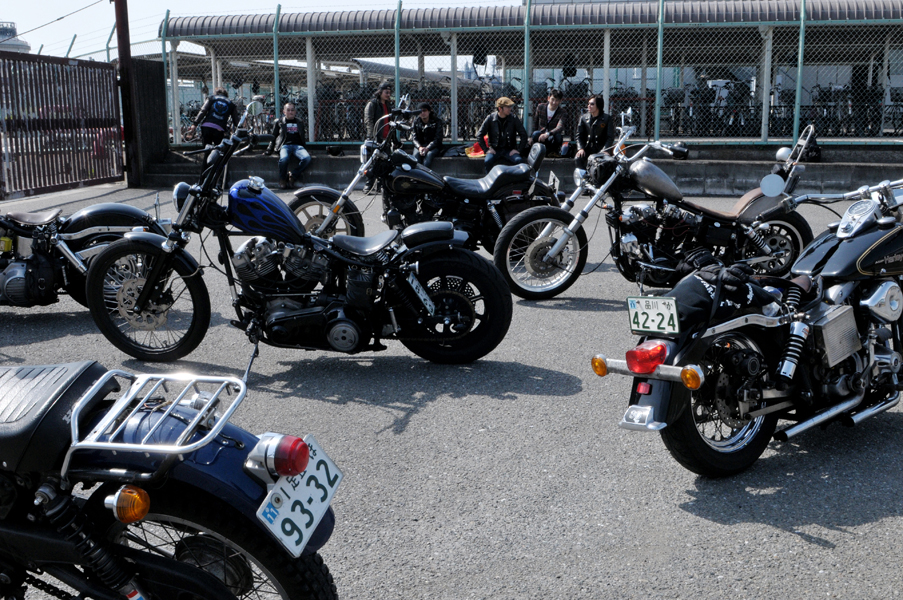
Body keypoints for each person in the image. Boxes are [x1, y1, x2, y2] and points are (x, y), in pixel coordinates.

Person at [476, 96, 528, 174]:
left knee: (519, 160)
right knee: (488, 161)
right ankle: (489, 179)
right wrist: (486, 150)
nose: (510, 109)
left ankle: (517, 180)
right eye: (508, 107)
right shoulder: (491, 118)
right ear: (500, 108)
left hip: (509, 149)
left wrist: (518, 150)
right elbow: (479, 134)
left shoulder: (513, 118)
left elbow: (523, 134)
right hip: (495, 149)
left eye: (510, 106)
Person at [265, 103, 311, 189]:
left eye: (292, 110)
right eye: (288, 110)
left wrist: (305, 148)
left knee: (307, 158)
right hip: (285, 145)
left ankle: (293, 176)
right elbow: (273, 136)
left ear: (295, 111)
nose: (290, 112)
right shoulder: (279, 122)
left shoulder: (299, 122)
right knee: (284, 159)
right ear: (284, 112)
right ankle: (282, 179)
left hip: (298, 146)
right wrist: (269, 149)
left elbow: (302, 137)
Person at [363, 82, 394, 193]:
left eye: (389, 92)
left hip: (386, 138)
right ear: (380, 92)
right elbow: (369, 120)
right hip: (376, 138)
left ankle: (381, 185)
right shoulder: (372, 104)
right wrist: (372, 136)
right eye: (386, 92)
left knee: (385, 163)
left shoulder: (388, 105)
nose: (388, 95)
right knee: (373, 162)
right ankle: (369, 185)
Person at [575, 94, 615, 170]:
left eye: (592, 104)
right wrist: (580, 148)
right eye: (588, 104)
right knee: (578, 158)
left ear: (598, 105)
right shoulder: (583, 118)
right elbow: (579, 136)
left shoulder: (607, 118)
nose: (589, 106)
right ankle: (583, 176)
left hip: (601, 150)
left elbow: (610, 137)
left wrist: (605, 150)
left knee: (604, 163)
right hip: (587, 149)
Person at [529, 88, 566, 156]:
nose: (554, 102)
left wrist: (548, 133)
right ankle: (537, 152)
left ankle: (552, 152)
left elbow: (560, 127)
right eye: (552, 99)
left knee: (558, 137)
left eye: (557, 100)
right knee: (535, 134)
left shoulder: (562, 112)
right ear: (548, 98)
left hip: (551, 135)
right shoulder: (540, 107)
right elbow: (535, 122)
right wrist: (531, 136)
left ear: (560, 101)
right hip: (541, 133)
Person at [412, 102, 444, 169]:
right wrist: (419, 147)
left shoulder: (437, 121)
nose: (423, 113)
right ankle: (417, 174)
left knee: (429, 156)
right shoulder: (416, 122)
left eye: (425, 110)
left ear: (429, 111)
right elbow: (414, 138)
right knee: (416, 157)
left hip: (433, 147)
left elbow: (438, 139)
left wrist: (428, 148)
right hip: (420, 145)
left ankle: (424, 174)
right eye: (420, 111)